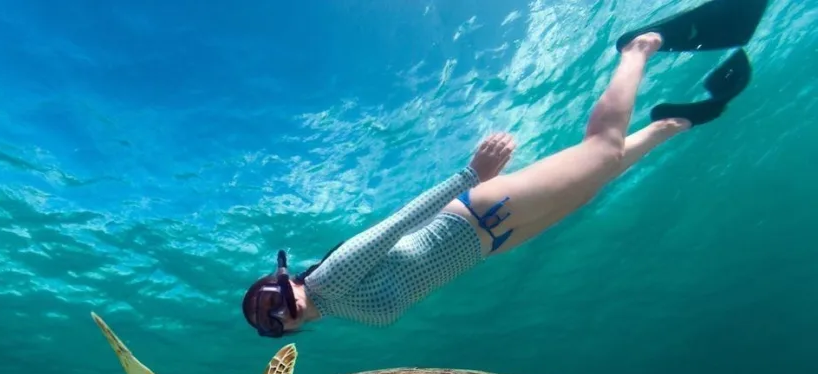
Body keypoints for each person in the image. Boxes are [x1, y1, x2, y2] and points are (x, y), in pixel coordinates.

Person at [241, 0, 769, 338]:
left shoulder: (330, 278)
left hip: (477, 214)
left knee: (601, 151)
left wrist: (471, 175)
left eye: (280, 296)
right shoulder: (337, 310)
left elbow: (396, 225)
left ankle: (639, 48)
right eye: (277, 319)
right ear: (283, 333)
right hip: (490, 243)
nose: (287, 308)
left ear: (286, 279)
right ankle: (671, 124)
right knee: (596, 179)